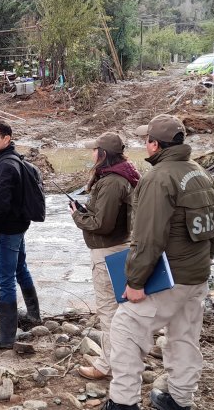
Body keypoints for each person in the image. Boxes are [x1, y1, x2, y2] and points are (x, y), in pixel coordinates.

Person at [104, 114, 214, 410]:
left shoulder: (158, 177)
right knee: (185, 336)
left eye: (146, 140)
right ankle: (178, 399)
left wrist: (135, 282)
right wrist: (207, 254)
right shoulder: (199, 171)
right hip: (197, 275)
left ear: (153, 145)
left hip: (169, 276)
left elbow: (149, 237)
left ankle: (123, 402)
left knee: (125, 329)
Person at [68, 132, 141, 380]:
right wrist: (87, 210)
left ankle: (106, 366)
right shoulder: (125, 175)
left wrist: (77, 215)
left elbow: (103, 224)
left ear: (103, 154)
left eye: (94, 150)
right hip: (122, 248)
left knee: (110, 311)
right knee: (124, 310)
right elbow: (110, 216)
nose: (91, 154)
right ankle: (126, 360)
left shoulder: (111, 182)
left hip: (108, 252)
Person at [0, 120, 41, 349]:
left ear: (6, 139)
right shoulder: (13, 159)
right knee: (20, 268)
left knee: (5, 279)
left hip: (9, 228)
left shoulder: (5, 165)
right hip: (18, 225)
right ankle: (34, 315)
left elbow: (0, 204)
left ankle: (6, 337)